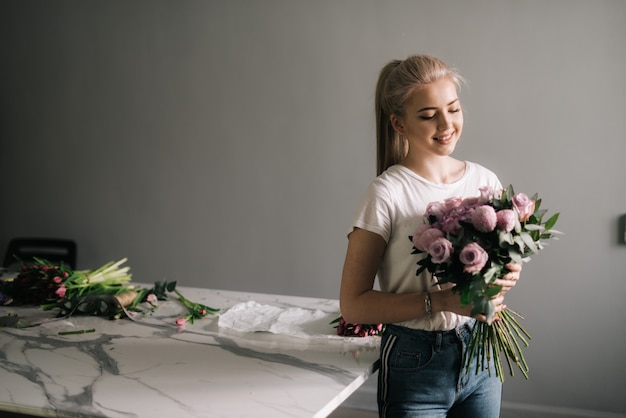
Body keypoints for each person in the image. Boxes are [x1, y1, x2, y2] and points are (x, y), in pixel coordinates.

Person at [339, 54, 522, 417]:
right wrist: (440, 302)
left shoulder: (486, 182)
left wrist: (507, 274)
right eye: (428, 115)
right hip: (414, 359)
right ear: (399, 124)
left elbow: (503, 263)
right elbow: (353, 304)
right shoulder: (386, 193)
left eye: (453, 109)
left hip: (481, 352)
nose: (446, 124)